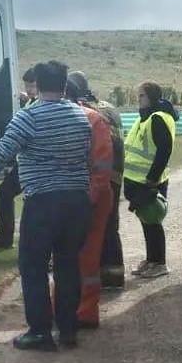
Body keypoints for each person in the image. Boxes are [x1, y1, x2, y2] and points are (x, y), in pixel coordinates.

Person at [0, 60, 91, 351]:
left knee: (33, 266)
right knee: (67, 264)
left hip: (43, 201)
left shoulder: (29, 117)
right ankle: (68, 329)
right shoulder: (80, 117)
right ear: (65, 85)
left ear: (37, 86)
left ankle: (40, 331)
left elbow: (3, 152)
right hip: (77, 200)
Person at [65, 75, 114, 329]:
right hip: (87, 197)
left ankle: (80, 311)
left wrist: (89, 199)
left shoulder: (92, 120)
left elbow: (102, 166)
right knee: (83, 257)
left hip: (87, 198)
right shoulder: (94, 119)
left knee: (80, 256)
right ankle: (78, 310)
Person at [68, 70, 126, 288]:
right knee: (111, 223)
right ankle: (114, 275)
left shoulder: (85, 111)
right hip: (116, 172)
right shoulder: (109, 107)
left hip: (97, 173)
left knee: (93, 226)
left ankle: (93, 277)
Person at [124, 81, 178, 279]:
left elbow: (164, 151)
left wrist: (152, 179)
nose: (139, 99)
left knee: (153, 220)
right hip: (140, 180)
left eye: (141, 96)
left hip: (150, 181)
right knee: (146, 221)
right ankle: (151, 260)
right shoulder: (146, 117)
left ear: (152, 97)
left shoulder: (157, 118)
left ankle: (160, 263)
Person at [0, 67, 39, 250]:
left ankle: (7, 238)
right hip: (25, 162)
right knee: (5, 193)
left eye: (32, 85)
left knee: (8, 194)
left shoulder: (35, 105)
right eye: (27, 85)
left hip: (32, 164)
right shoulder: (32, 102)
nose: (29, 89)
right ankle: (6, 238)